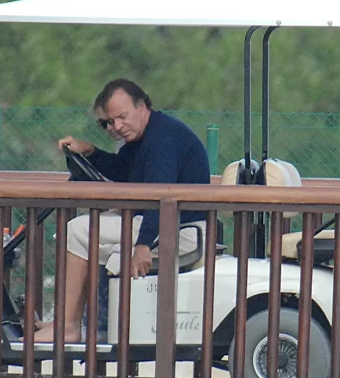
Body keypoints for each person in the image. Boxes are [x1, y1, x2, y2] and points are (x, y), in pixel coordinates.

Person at [34, 78, 210, 343]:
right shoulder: (145, 137)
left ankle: (69, 326)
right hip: (165, 221)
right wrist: (90, 151)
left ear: (142, 107)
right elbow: (122, 170)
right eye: (110, 121)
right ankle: (76, 322)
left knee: (78, 230)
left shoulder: (162, 140)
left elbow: (161, 197)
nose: (117, 126)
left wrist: (142, 246)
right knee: (85, 234)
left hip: (180, 228)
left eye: (122, 117)